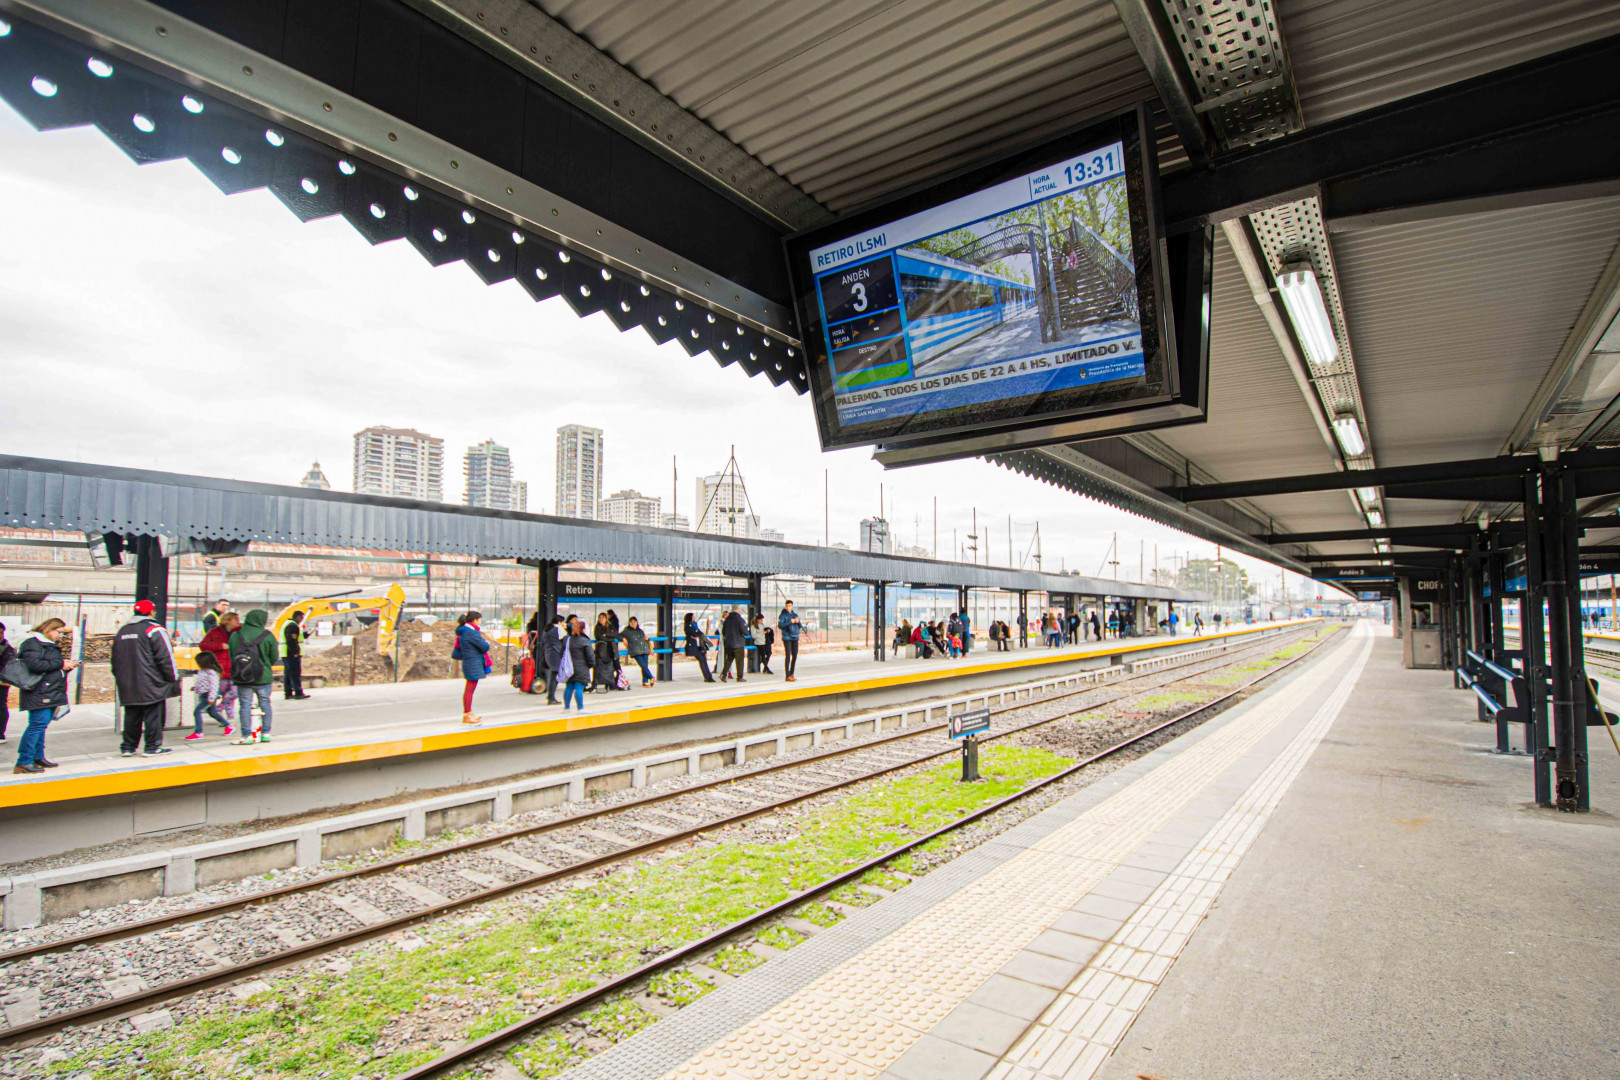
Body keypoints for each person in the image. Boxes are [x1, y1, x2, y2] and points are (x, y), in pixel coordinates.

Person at [111, 599, 181, 759]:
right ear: (151, 612)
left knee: (132, 714)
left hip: (127, 682)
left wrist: (120, 678)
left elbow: (114, 660)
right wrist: (173, 678)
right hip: (151, 682)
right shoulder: (154, 629)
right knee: (153, 715)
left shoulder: (122, 631)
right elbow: (165, 657)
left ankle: (128, 747)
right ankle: (152, 747)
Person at [12, 617, 77, 773]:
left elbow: (49, 666)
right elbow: (34, 665)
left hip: (49, 690)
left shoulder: (48, 645)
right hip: (38, 691)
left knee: (42, 725)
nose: (61, 636)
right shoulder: (32, 644)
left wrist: (66, 667)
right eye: (59, 632)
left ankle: (37, 756)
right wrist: (61, 664)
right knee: (37, 725)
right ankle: (24, 760)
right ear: (49, 629)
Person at [229, 608, 280, 743]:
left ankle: (246, 735)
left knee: (245, 705)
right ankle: (265, 733)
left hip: (242, 676)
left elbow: (232, 655)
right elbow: (274, 656)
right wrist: (265, 664)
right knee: (264, 703)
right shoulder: (267, 635)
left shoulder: (236, 635)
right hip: (263, 676)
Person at [199, 612, 240, 726]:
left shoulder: (240, 631)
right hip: (220, 669)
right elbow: (203, 646)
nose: (238, 621)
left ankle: (221, 707)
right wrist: (219, 646)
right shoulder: (214, 632)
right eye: (235, 619)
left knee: (234, 692)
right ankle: (227, 719)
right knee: (218, 692)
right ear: (227, 620)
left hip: (235, 668)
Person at [185, 651, 233, 740]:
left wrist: (211, 698)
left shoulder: (211, 672)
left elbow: (214, 686)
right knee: (212, 713)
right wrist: (195, 688)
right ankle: (228, 726)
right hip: (204, 694)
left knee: (197, 711)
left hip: (208, 696)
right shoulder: (202, 671)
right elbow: (202, 683)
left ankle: (198, 732)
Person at [454, 611, 490, 723]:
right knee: (470, 689)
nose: (480, 622)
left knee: (470, 688)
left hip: (470, 662)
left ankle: (469, 713)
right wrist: (485, 642)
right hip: (472, 663)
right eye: (479, 620)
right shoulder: (471, 633)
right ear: (474, 620)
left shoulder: (465, 632)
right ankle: (467, 714)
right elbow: (484, 646)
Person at [563, 616, 593, 710]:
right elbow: (590, 656)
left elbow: (561, 653)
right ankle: (580, 708)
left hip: (569, 668)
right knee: (579, 688)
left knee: (569, 687)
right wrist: (591, 664)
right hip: (581, 668)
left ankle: (566, 708)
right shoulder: (585, 641)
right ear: (583, 629)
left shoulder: (567, 640)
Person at [282, 610, 311, 699]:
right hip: (291, 653)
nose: (302, 620)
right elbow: (291, 640)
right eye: (301, 618)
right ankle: (298, 692)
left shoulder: (289, 624)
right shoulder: (292, 625)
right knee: (295, 673)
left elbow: (297, 637)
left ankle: (288, 692)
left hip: (285, 652)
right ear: (297, 616)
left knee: (288, 673)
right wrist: (295, 652)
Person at [621, 616, 654, 687]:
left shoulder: (640, 631)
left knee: (645, 666)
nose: (633, 623)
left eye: (634, 622)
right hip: (635, 651)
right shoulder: (626, 631)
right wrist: (623, 638)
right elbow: (618, 635)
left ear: (637, 623)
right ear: (629, 623)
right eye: (631, 622)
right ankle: (651, 677)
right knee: (643, 665)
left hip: (644, 649)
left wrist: (648, 639)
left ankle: (645, 682)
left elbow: (645, 638)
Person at [541, 614, 566, 703]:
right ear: (559, 622)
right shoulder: (558, 629)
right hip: (556, 655)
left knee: (553, 675)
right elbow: (565, 641)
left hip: (548, 655)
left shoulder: (546, 630)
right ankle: (551, 697)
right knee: (554, 677)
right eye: (562, 622)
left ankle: (550, 696)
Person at [683, 612, 715, 682]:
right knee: (701, 660)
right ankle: (707, 677)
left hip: (700, 645)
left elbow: (700, 633)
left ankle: (709, 676)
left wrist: (698, 634)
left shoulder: (695, 625)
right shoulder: (687, 626)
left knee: (704, 660)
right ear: (690, 618)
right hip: (694, 646)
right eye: (693, 617)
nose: (694, 618)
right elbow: (694, 633)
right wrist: (697, 634)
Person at [720, 606, 749, 682]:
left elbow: (723, 632)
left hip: (728, 644)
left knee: (729, 659)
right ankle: (739, 677)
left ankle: (723, 674)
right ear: (738, 611)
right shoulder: (740, 619)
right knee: (739, 661)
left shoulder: (727, 620)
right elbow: (745, 631)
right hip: (738, 644)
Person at [777, 601, 801, 682]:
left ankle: (792, 673)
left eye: (789, 606)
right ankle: (787, 675)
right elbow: (780, 625)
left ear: (792, 606)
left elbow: (800, 626)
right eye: (787, 606)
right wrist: (790, 621)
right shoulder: (783, 615)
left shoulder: (795, 615)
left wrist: (797, 621)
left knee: (795, 655)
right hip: (787, 637)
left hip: (795, 637)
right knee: (788, 655)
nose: (788, 607)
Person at [592, 613, 617, 691]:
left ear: (606, 618)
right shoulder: (597, 627)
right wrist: (609, 638)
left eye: (603, 618)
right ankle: (596, 683)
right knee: (599, 666)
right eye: (600, 618)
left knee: (610, 667)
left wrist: (606, 634)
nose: (601, 619)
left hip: (610, 650)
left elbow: (615, 633)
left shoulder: (611, 626)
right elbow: (598, 637)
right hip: (601, 650)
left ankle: (610, 683)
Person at [0, 621, 13, 742]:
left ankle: (0, 733)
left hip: (2, 683)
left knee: (1, 707)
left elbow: (9, 666)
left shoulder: (8, 649)